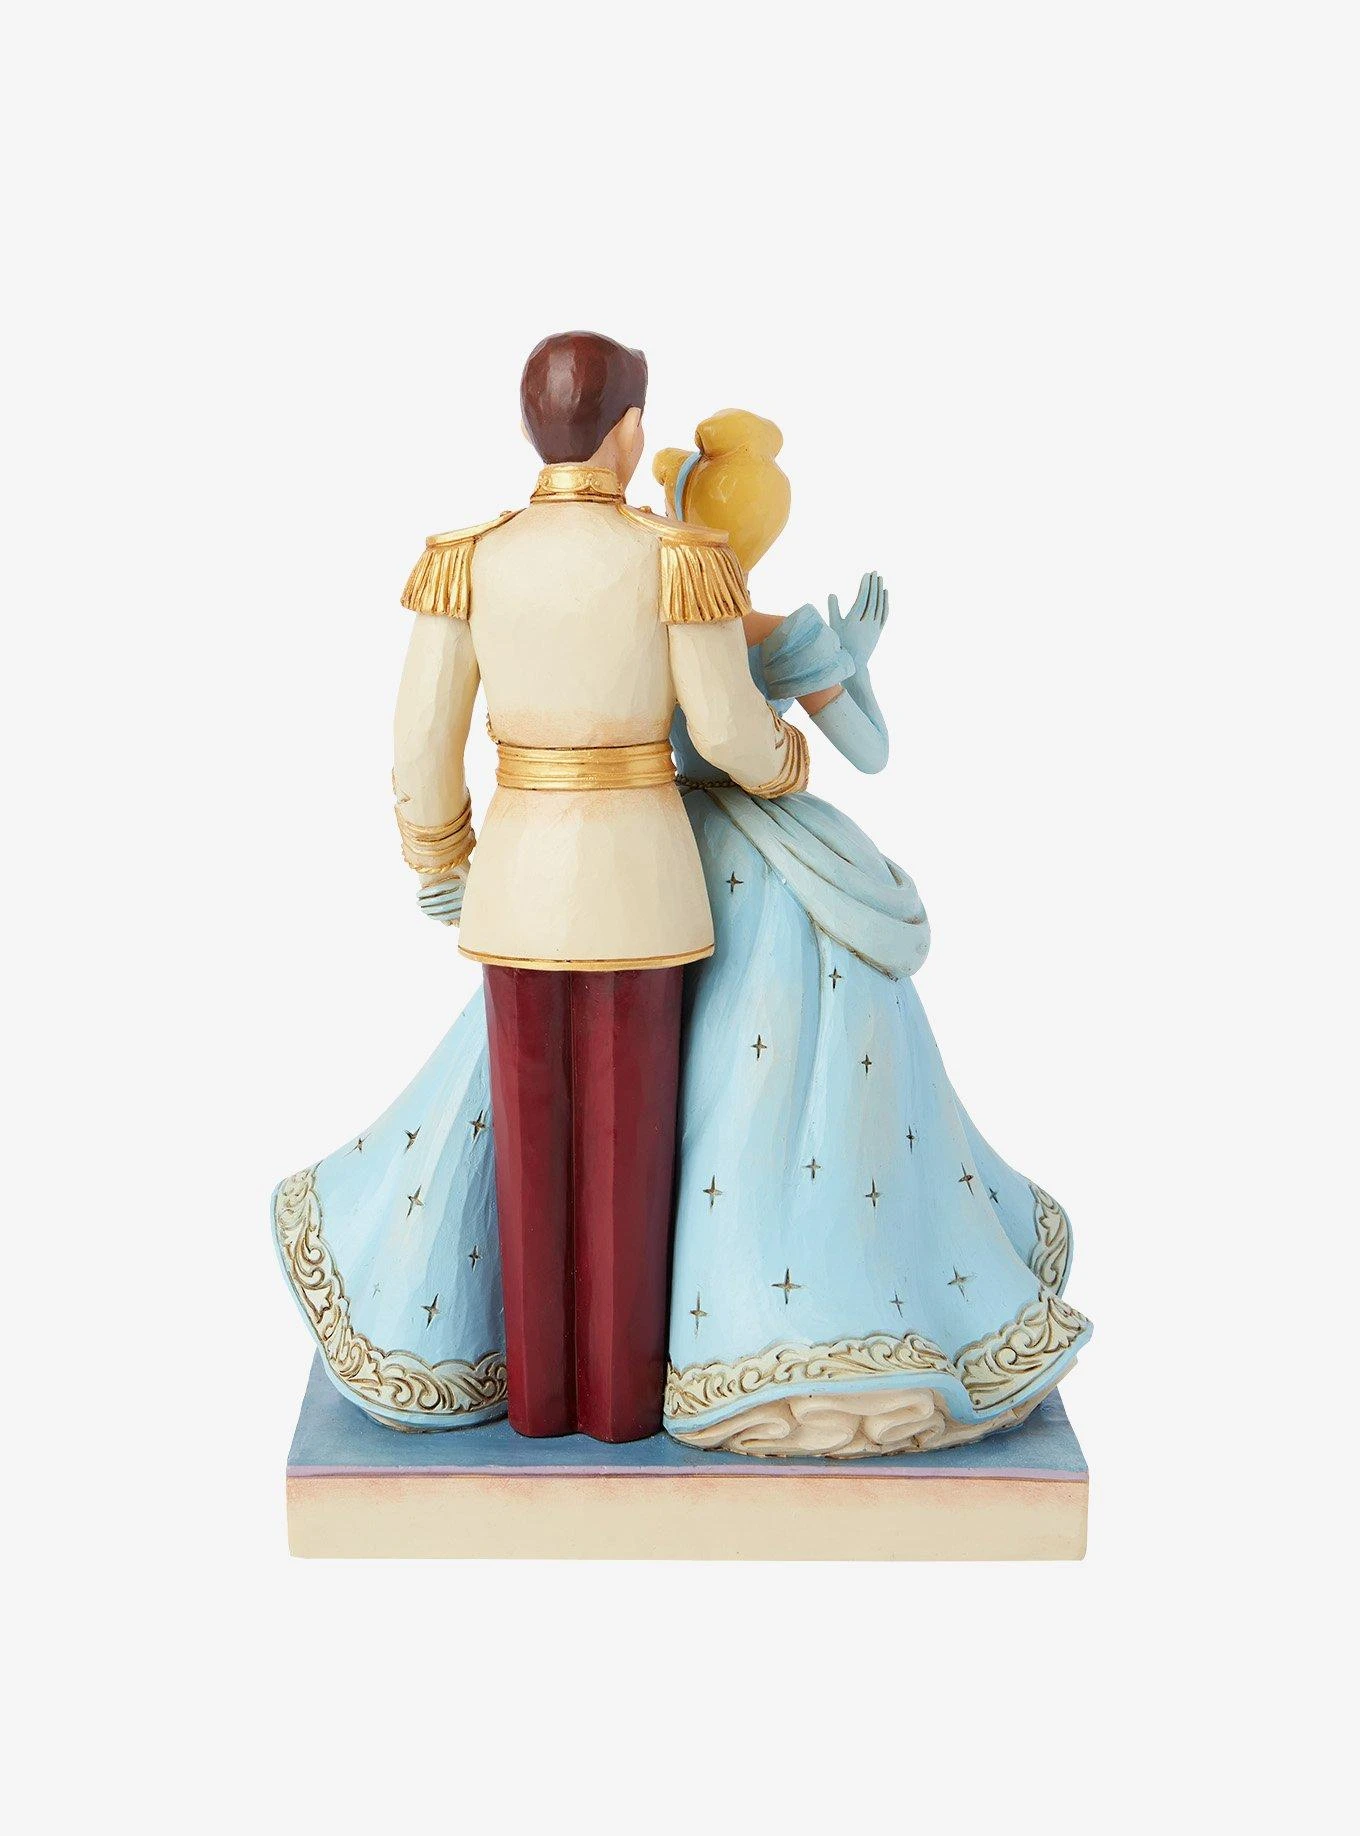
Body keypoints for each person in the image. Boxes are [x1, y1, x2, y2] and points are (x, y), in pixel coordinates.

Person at [273, 394, 1091, 1457]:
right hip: (657, 875)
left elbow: (421, 741)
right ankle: (623, 1394)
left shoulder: (475, 557)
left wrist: (441, 861)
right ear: (627, 433)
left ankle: (543, 1391)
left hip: (537, 877)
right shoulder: (683, 572)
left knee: (530, 1117)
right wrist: (806, 732)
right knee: (643, 1125)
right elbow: (747, 738)